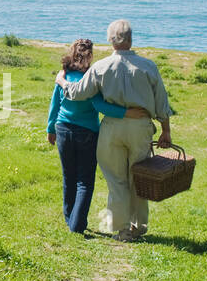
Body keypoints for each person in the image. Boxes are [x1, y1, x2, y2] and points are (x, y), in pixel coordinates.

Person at [55, 20, 173, 242]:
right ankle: (138, 226)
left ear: (110, 40)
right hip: (140, 127)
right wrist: (165, 131)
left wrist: (61, 82)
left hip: (111, 127)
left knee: (116, 179)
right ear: (131, 39)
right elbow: (161, 103)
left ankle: (122, 229)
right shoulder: (149, 66)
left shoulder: (100, 67)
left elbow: (78, 93)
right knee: (138, 176)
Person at [47, 39, 151, 233]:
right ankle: (77, 225)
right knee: (84, 181)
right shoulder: (91, 79)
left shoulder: (64, 76)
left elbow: (55, 105)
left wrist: (50, 129)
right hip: (87, 132)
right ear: (90, 56)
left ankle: (71, 220)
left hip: (63, 129)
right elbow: (101, 106)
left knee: (68, 177)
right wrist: (127, 113)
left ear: (72, 54)